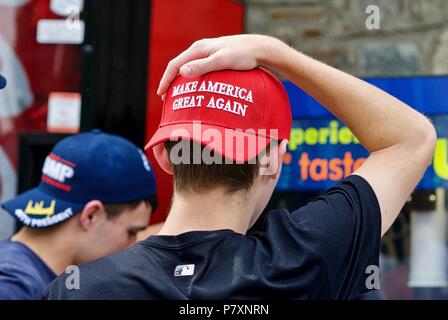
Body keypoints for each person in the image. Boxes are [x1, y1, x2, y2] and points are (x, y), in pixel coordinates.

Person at [46, 34, 436, 299]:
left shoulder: (77, 288)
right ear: (270, 159)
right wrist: (274, 52)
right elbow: (411, 137)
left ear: (164, 155)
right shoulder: (306, 257)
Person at [0, 129, 157, 299]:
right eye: (131, 233)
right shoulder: (12, 289)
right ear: (91, 215)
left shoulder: (27, 274)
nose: (133, 246)